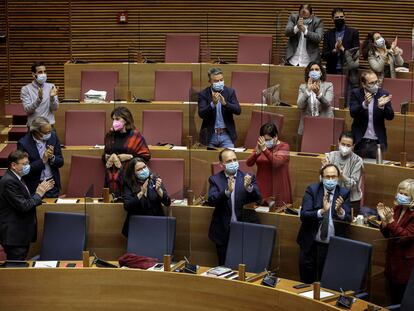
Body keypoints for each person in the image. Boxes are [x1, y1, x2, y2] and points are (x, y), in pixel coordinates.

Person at [296, 164, 351, 284]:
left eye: (334, 177)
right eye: (327, 177)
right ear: (321, 177)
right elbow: (304, 215)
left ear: (338, 177)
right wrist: (322, 211)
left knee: (327, 283)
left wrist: (340, 212)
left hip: (331, 247)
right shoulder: (312, 190)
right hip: (311, 245)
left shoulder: (344, 193)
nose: (331, 180)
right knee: (306, 282)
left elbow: (348, 219)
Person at [208, 149, 262, 265]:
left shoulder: (248, 178)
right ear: (222, 164)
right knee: (223, 266)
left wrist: (249, 188)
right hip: (223, 230)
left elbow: (258, 198)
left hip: (243, 229)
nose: (233, 162)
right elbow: (211, 200)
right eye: (229, 161)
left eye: (235, 159)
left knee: (243, 266)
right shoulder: (215, 180)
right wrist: (227, 191)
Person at [0, 150, 55, 260]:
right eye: (24, 164)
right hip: (14, 236)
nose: (27, 166)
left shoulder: (17, 178)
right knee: (16, 268)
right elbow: (24, 206)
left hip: (20, 233)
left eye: (28, 163)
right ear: (13, 165)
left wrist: (40, 193)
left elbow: (26, 201)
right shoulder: (9, 182)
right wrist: (38, 194)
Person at [378, 179, 414, 304]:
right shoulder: (397, 208)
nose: (402, 196)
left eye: (406, 195)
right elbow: (389, 235)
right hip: (392, 262)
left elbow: (406, 237)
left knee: (402, 300)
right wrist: (384, 221)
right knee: (391, 298)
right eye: (400, 193)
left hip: (405, 265)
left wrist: (391, 222)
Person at [104, 106, 151, 198]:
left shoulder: (135, 136)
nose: (114, 122)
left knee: (129, 201)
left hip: (130, 176)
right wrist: (111, 157)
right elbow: (105, 155)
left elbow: (146, 156)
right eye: (113, 119)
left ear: (125, 120)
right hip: (112, 177)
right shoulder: (110, 135)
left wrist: (130, 157)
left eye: (117, 119)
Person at [349, 70, 394, 159]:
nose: (375, 85)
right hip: (360, 140)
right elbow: (353, 113)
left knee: (377, 170)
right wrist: (364, 104)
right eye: (371, 83)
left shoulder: (383, 94)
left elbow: (390, 116)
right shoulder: (356, 93)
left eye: (376, 82)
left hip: (377, 141)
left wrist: (382, 107)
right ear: (363, 84)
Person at [121, 157, 171, 237]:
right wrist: (141, 193)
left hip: (156, 224)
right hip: (137, 226)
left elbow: (167, 202)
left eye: (144, 167)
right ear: (133, 173)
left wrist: (159, 191)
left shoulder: (155, 179)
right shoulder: (128, 184)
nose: (143, 170)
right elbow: (127, 206)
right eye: (139, 169)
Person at [246, 123, 292, 207]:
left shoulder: (284, 146)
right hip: (262, 185)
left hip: (278, 187)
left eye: (268, 140)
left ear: (276, 137)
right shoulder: (260, 145)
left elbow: (276, 163)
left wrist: (265, 149)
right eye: (264, 140)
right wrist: (257, 153)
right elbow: (249, 163)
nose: (266, 142)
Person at [17, 117, 64, 198]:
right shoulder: (24, 144)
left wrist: (52, 157)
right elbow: (23, 170)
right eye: (46, 132)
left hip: (52, 184)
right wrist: (43, 161)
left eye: (50, 131)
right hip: (35, 185)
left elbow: (61, 162)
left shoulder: (53, 137)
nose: (49, 134)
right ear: (36, 132)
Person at [198, 67, 241, 148]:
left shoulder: (230, 92)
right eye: (216, 81)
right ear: (210, 81)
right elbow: (201, 113)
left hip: (226, 135)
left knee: (228, 157)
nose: (219, 82)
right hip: (210, 135)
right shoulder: (203, 94)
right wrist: (212, 104)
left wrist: (225, 104)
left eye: (221, 80)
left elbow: (238, 110)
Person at [322, 131, 363, 215]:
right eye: (343, 144)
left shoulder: (358, 160)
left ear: (353, 146)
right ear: (338, 142)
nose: (345, 147)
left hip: (351, 201)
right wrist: (324, 170)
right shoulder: (330, 156)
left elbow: (352, 185)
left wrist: (342, 176)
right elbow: (321, 180)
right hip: (332, 198)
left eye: (348, 145)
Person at [297, 62, 334, 146]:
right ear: (308, 73)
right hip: (308, 124)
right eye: (312, 70)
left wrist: (318, 94)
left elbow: (327, 103)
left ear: (321, 72)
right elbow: (300, 105)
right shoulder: (303, 87)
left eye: (317, 69)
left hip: (324, 121)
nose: (314, 71)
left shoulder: (328, 85)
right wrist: (308, 91)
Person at [322, 8, 360, 75]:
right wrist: (334, 51)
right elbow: (324, 56)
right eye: (337, 17)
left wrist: (342, 48)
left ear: (344, 17)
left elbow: (355, 54)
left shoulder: (353, 32)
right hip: (332, 70)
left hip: (349, 70)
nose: (339, 19)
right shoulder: (328, 34)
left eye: (341, 17)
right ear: (332, 19)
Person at [21, 61, 59, 127]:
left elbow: (55, 108)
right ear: (33, 74)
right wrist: (39, 100)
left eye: (45, 72)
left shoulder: (51, 87)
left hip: (49, 126)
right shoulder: (26, 89)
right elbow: (28, 110)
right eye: (40, 72)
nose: (43, 74)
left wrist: (52, 98)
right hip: (34, 127)